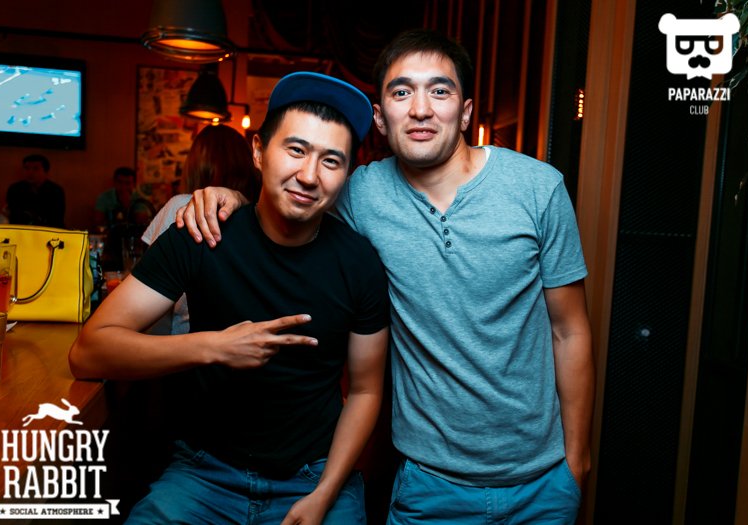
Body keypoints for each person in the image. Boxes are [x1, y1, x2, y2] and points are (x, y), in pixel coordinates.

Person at [178, 29, 594, 524]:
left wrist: (577, 461)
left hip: (543, 483)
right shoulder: (360, 193)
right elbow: (293, 203)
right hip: (428, 485)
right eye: (401, 92)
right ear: (380, 118)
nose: (420, 109)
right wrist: (233, 198)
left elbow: (569, 330)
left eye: (439, 90)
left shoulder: (538, 188)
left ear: (465, 112)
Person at [69, 71, 390, 524]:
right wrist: (214, 347)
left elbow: (365, 390)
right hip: (204, 474)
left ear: (347, 174)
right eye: (296, 150)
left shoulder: (359, 264)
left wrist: (324, 494)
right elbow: (88, 352)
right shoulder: (202, 232)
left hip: (316, 476)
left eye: (331, 161)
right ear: (258, 152)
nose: (308, 175)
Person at [141, 124, 260, 335]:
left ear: (197, 165)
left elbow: (152, 310)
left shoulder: (184, 207)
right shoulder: (258, 218)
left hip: (182, 347)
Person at [5, 154, 65, 227]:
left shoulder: (55, 191)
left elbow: (56, 219)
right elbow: (14, 216)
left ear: (46, 172)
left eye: (35, 169)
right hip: (21, 230)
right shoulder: (15, 189)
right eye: (27, 168)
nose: (30, 172)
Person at [93, 167, 154, 231]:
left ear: (134, 184)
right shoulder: (104, 197)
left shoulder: (139, 199)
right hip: (109, 233)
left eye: (127, 183)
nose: (123, 187)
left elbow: (142, 223)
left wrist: (127, 205)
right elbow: (97, 222)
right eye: (120, 182)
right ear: (114, 182)